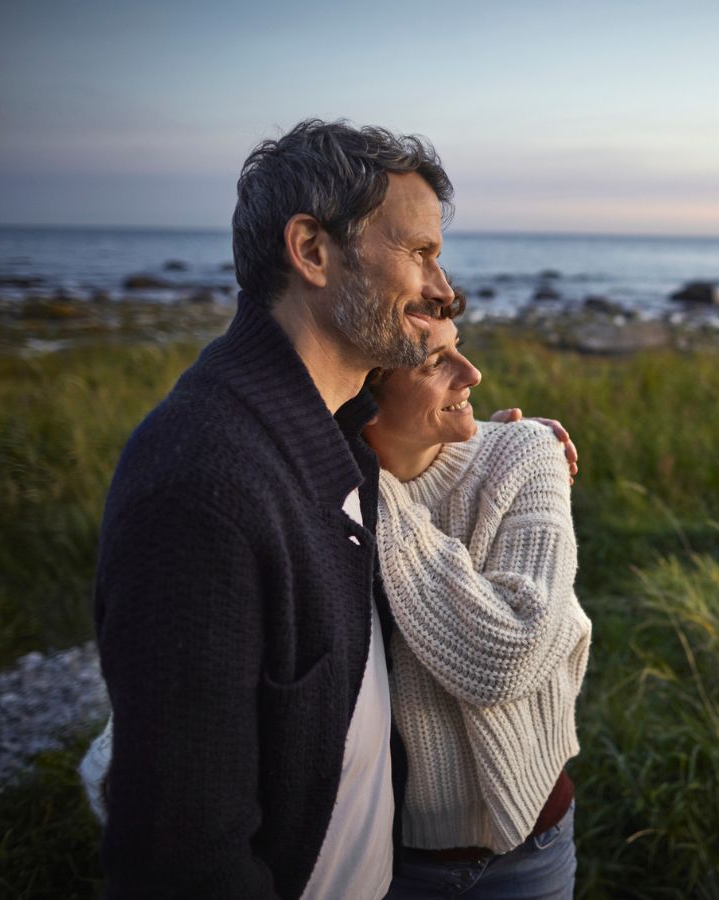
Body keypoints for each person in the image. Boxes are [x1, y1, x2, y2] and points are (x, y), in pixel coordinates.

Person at [90, 119, 576, 900]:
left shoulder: (333, 438)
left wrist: (520, 445)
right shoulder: (203, 483)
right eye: (418, 253)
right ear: (312, 251)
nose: (443, 289)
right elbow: (183, 858)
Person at [364, 314, 590, 898]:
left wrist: (372, 492)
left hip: (531, 849)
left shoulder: (526, 450)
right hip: (385, 860)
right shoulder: (323, 497)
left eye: (457, 348)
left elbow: (507, 655)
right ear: (359, 392)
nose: (472, 373)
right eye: (433, 363)